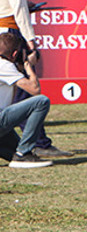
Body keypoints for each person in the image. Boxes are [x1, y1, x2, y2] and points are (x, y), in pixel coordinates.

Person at [0, 0, 71, 158]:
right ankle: (36, 142)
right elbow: (18, 9)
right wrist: (30, 41)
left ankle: (33, 140)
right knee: (25, 88)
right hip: (9, 35)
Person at [0, 32, 52, 167]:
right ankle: (23, 154)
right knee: (41, 101)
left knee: (13, 153)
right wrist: (28, 67)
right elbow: (35, 90)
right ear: (15, 53)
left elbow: (9, 101)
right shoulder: (4, 65)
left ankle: (20, 154)